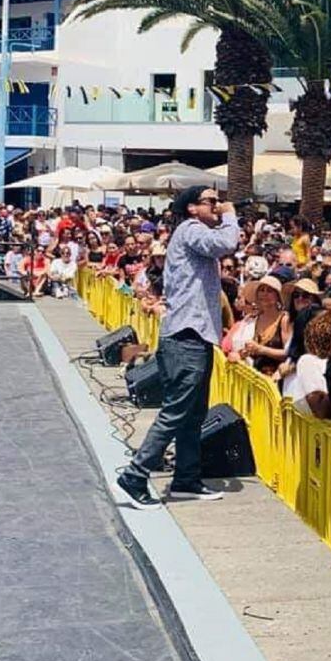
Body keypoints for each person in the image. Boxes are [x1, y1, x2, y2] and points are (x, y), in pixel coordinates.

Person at [116, 186, 238, 509]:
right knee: (176, 412)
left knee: (193, 414)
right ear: (192, 208)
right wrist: (231, 214)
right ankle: (135, 474)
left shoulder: (189, 232)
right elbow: (227, 243)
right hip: (186, 337)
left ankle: (187, 478)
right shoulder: (191, 230)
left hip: (194, 336)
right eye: (210, 201)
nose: (216, 204)